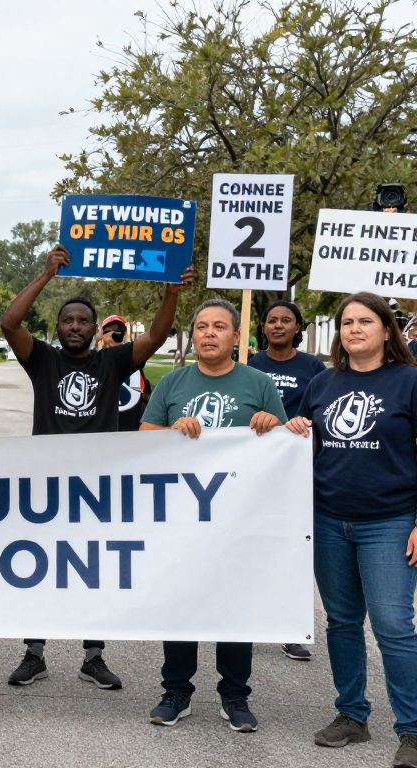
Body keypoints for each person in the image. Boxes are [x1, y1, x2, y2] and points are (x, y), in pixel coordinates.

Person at [0, 243, 193, 690]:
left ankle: (93, 655)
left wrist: (170, 293)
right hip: (46, 486)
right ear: (57, 327)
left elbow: (157, 337)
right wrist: (46, 273)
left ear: (94, 328)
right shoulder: (42, 360)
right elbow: (9, 323)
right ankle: (34, 652)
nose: (74, 326)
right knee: (41, 568)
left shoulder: (112, 363)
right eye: (67, 320)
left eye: (82, 320)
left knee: (94, 570)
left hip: (96, 487)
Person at [141, 297, 286, 733]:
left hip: (238, 518)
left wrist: (269, 423)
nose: (208, 333)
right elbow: (143, 438)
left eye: (219, 327)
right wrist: (173, 432)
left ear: (236, 336)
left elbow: (284, 444)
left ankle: (235, 696)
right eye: (202, 326)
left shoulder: (258, 383)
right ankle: (177, 691)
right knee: (181, 602)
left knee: (233, 606)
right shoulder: (172, 383)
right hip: (181, 516)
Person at [285, 292, 417, 768]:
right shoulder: (322, 384)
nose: (354, 329)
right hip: (327, 520)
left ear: (386, 330)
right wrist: (295, 426)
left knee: (393, 626)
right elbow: (297, 440)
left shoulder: (409, 382)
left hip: (390, 521)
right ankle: (352, 715)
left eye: (365, 321)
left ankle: (413, 729)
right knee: (341, 623)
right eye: (346, 322)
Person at [247, 300, 326, 662]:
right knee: (252, 543)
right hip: (253, 468)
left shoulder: (314, 368)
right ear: (263, 327)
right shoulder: (249, 364)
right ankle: (246, 619)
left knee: (292, 548)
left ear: (298, 327)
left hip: (296, 470)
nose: (278, 326)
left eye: (286, 321)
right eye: (272, 321)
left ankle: (290, 626)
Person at [97, 314, 153, 432]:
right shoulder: (94, 361)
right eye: (110, 329)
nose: (115, 333)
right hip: (102, 435)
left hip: (131, 433)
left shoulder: (134, 361)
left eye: (119, 330)